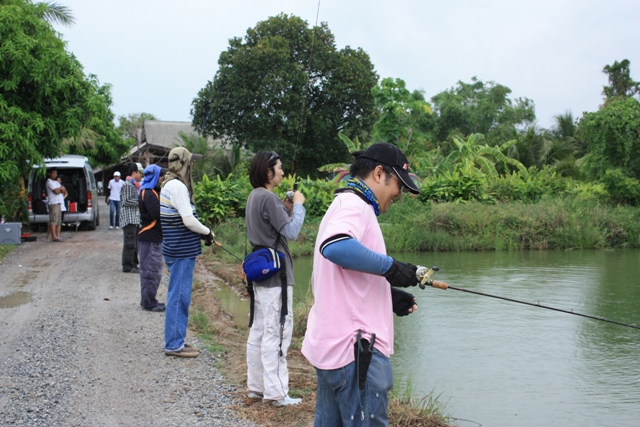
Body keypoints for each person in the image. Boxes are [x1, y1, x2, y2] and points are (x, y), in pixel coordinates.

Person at [302, 142, 422, 426]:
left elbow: (340, 275)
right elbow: (336, 248)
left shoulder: (346, 203)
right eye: (398, 186)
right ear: (379, 173)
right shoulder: (355, 205)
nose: (398, 194)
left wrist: (385, 294)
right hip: (356, 353)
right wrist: (391, 267)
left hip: (337, 348)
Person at [245, 151, 306, 406]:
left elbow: (272, 224)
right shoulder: (268, 198)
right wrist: (299, 205)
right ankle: (277, 394)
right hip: (276, 277)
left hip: (261, 274)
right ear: (268, 171)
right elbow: (291, 232)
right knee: (277, 333)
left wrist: (285, 207)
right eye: (279, 168)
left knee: (259, 331)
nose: (282, 172)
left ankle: (256, 387)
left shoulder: (255, 196)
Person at [161, 147, 214, 358]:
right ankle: (174, 344)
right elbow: (188, 220)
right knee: (179, 297)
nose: (192, 166)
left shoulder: (170, 184)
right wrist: (207, 231)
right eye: (190, 162)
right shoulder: (178, 187)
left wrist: (201, 233)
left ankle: (177, 339)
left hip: (177, 248)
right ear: (183, 164)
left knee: (179, 294)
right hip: (181, 250)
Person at [138, 164, 168, 312]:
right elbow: (156, 214)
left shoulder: (151, 191)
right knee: (151, 271)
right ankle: (149, 302)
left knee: (152, 270)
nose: (162, 179)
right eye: (161, 176)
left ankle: (149, 299)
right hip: (150, 237)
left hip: (152, 237)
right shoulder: (149, 193)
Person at [120, 162, 144, 273]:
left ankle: (134, 264)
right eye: (140, 173)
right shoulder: (128, 185)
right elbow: (126, 200)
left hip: (134, 218)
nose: (141, 175)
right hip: (129, 219)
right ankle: (127, 266)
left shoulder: (134, 185)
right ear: (134, 172)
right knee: (130, 243)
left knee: (134, 243)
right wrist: (140, 202)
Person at [45, 168, 66, 242]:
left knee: (58, 221)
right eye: (53, 173)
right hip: (53, 203)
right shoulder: (49, 181)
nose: (54, 175)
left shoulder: (56, 182)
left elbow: (64, 190)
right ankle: (53, 236)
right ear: (49, 174)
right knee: (53, 220)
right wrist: (60, 189)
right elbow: (57, 191)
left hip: (59, 203)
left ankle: (58, 235)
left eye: (56, 173)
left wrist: (60, 189)